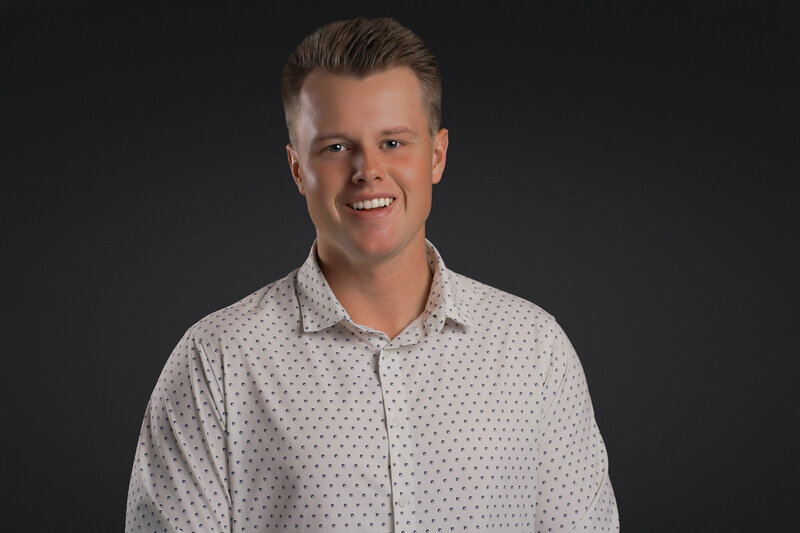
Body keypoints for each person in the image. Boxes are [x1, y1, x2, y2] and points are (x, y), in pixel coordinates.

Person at [126, 17, 619, 532]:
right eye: (336, 147)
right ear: (298, 169)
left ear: (437, 155)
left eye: (393, 142)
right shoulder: (217, 363)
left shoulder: (534, 350)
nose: (367, 170)